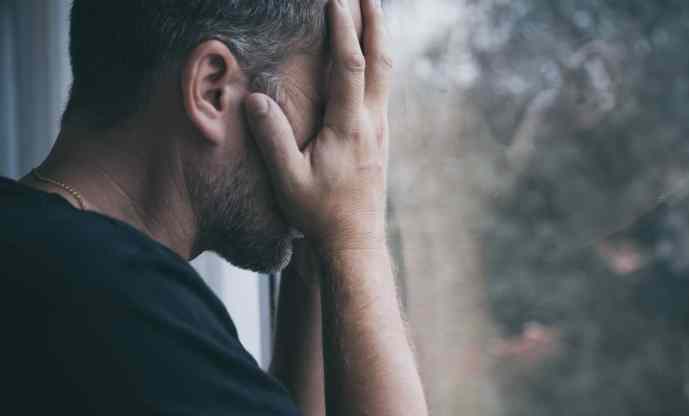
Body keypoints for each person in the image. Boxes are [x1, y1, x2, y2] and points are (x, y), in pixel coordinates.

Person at [0, 0, 428, 415]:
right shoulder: (125, 312)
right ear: (212, 88)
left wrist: (322, 250)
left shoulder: (41, 260)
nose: (343, 147)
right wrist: (355, 236)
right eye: (326, 110)